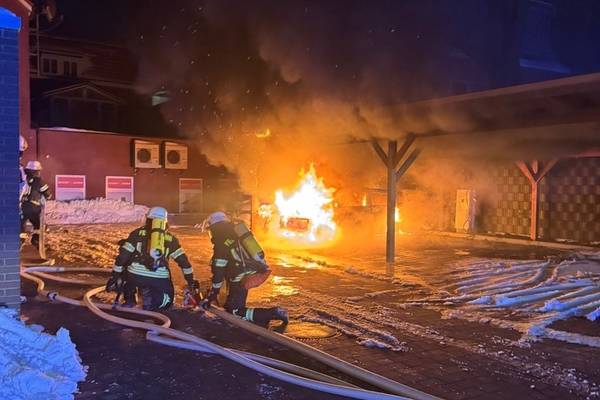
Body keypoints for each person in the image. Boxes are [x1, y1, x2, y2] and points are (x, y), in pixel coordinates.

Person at [202, 211, 288, 326]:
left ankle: (272, 313)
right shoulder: (236, 232)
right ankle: (262, 320)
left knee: (235, 310)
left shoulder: (221, 242)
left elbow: (218, 273)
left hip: (240, 276)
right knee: (231, 305)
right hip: (252, 270)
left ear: (214, 227)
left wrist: (212, 294)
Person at [106, 206, 199, 311]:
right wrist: (190, 281)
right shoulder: (171, 240)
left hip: (135, 275)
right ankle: (151, 301)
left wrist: (115, 277)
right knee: (165, 304)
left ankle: (130, 299)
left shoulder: (136, 234)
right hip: (159, 278)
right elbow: (184, 263)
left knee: (126, 274)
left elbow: (122, 257)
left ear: (148, 219)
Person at [21, 161, 51, 249]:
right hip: (33, 207)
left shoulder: (23, 179)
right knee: (38, 225)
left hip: (21, 206)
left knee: (20, 224)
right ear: (36, 171)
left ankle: (19, 242)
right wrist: (47, 196)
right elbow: (47, 194)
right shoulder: (39, 181)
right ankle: (36, 241)